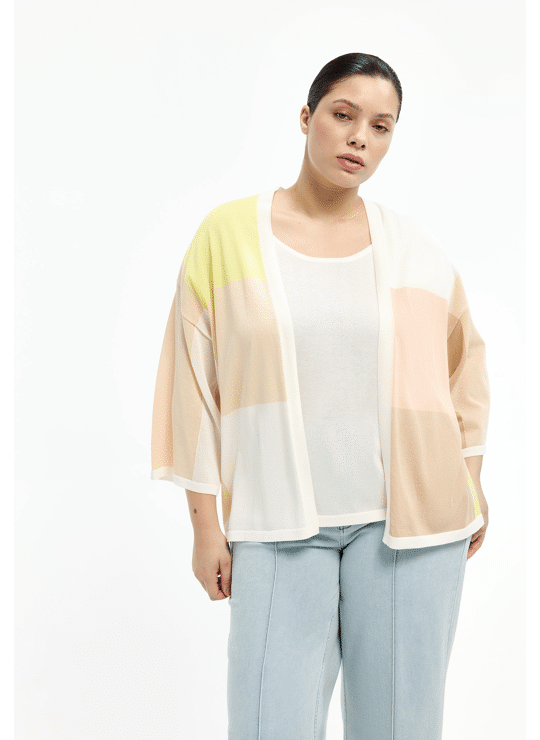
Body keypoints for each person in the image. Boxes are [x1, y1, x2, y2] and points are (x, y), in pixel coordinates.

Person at [150, 52, 490, 740]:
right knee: (268, 722)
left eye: (381, 126)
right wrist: (205, 525)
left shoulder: (414, 249)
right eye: (343, 114)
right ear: (307, 118)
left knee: (401, 727)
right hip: (277, 525)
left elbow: (465, 371)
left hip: (410, 527)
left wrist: (471, 479)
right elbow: (191, 380)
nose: (360, 137)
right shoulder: (228, 236)